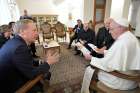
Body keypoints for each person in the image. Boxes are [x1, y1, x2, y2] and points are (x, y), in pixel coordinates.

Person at [81, 17, 140, 93]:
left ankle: (88, 89)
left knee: (89, 70)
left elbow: (108, 65)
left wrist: (91, 58)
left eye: (111, 29)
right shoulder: (129, 37)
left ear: (120, 27)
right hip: (130, 79)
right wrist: (104, 52)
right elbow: (118, 55)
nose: (109, 32)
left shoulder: (122, 42)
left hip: (121, 81)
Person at [0, 19, 60, 93]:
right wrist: (48, 62)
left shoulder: (15, 42)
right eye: (34, 30)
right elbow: (32, 74)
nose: (37, 33)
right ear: (22, 32)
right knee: (46, 73)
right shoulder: (20, 48)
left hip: (14, 75)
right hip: (12, 86)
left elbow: (24, 62)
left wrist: (40, 62)